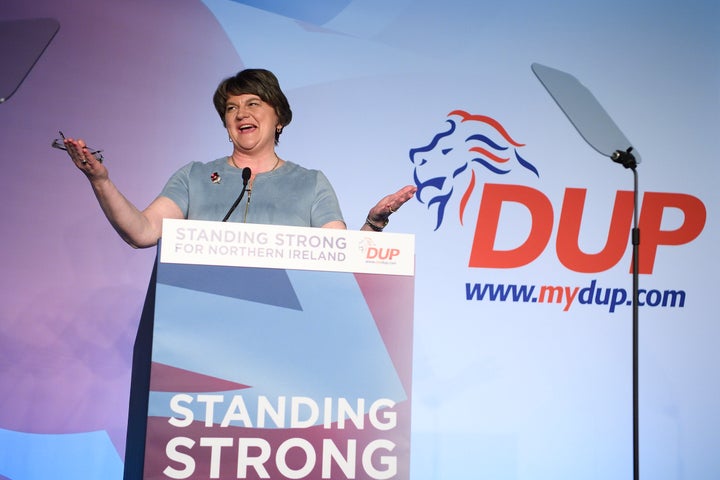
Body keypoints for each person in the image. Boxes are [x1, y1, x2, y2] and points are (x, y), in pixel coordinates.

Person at [61, 68, 416, 247]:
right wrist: (100, 181)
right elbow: (142, 232)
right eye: (231, 108)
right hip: (199, 334)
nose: (240, 113)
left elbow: (342, 258)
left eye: (253, 104)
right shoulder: (195, 177)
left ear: (279, 118)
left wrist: (373, 225)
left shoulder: (310, 184)